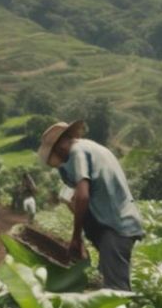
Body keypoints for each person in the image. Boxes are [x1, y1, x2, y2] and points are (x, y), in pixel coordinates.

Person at [38, 120, 143, 290]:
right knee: (107, 278)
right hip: (111, 224)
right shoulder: (90, 147)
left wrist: (76, 236)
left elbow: (83, 196)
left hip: (117, 226)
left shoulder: (77, 152)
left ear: (59, 147)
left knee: (116, 291)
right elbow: (79, 198)